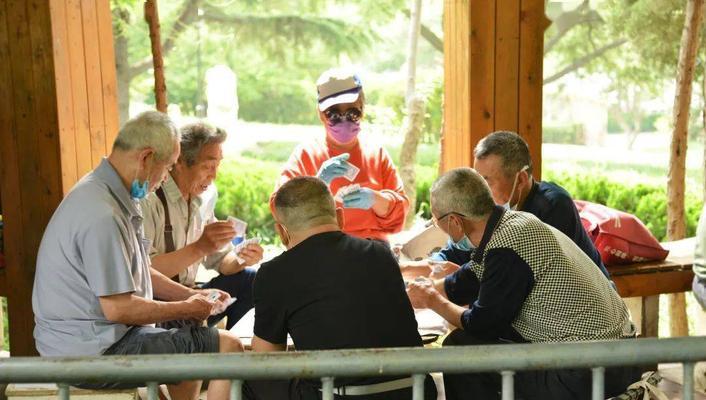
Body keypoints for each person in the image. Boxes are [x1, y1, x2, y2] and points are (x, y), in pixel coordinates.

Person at [32, 111, 243, 400]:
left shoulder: (105, 192)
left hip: (92, 341)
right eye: (167, 167)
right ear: (145, 158)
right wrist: (187, 307)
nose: (165, 177)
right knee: (228, 345)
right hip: (92, 354)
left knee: (192, 327)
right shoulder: (102, 213)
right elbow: (118, 309)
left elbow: (140, 269)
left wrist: (189, 298)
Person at [406, 167, 639, 400]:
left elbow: (481, 324)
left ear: (455, 221)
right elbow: (467, 279)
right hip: (617, 355)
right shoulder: (515, 223)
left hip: (587, 370)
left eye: (437, 222)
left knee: (461, 349)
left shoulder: (506, 249)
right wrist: (416, 292)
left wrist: (433, 301)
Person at [245, 177, 436, 399]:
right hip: (413, 391)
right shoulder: (380, 254)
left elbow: (267, 360)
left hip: (336, 394)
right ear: (340, 216)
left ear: (281, 231)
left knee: (245, 381)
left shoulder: (273, 273)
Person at [412, 130, 611, 281]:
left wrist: (460, 278)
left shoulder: (552, 207)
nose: (479, 188)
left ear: (521, 179)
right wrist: (433, 266)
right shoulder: (486, 209)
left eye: (487, 181)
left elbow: (518, 279)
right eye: (477, 179)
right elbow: (455, 253)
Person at [141, 121, 263, 330]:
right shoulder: (150, 198)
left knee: (253, 281)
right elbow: (144, 272)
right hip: (157, 307)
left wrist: (243, 257)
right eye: (207, 166)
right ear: (179, 162)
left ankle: (212, 338)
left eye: (217, 166)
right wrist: (200, 247)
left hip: (193, 295)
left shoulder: (202, 198)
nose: (214, 175)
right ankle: (203, 341)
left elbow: (222, 261)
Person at [273, 68, 409, 242]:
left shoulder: (377, 154)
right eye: (334, 114)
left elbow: (399, 214)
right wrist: (316, 186)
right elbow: (279, 208)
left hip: (371, 249)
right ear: (321, 114)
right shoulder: (306, 154)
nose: (344, 120)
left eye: (352, 113)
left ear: (363, 109)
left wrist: (377, 199)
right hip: (321, 248)